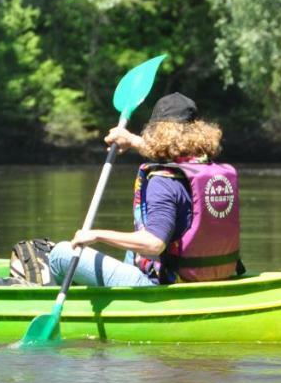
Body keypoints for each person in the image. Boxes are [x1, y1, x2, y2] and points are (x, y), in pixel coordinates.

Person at [45, 92, 242, 288]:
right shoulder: (205, 169)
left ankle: (60, 301)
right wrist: (130, 140)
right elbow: (171, 152)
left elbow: (154, 244)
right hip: (208, 275)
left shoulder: (163, 181)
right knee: (133, 249)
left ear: (158, 133)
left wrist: (97, 235)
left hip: (161, 283)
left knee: (61, 253)